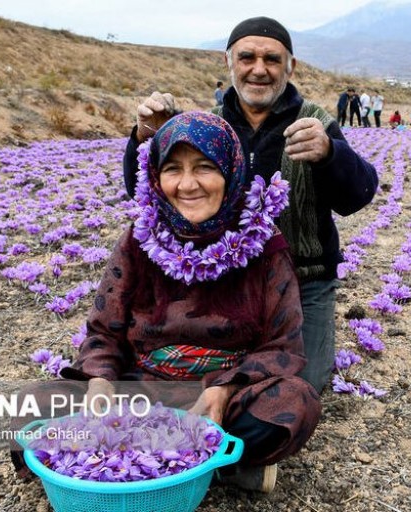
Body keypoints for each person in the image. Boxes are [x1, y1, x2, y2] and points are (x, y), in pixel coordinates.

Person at [56, 111, 319, 494]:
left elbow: (283, 345)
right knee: (37, 404)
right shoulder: (139, 239)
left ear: (231, 171)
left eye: (204, 167)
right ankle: (216, 466)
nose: (187, 184)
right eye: (173, 169)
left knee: (296, 402)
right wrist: (99, 382)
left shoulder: (266, 245)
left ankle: (135, 461)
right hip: (143, 389)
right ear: (155, 177)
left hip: (227, 394)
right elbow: (103, 331)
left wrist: (224, 390)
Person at [122, 16, 379, 395]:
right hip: (224, 279)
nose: (259, 69)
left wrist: (329, 154)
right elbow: (146, 191)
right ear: (229, 62)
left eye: (272, 59)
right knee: (184, 376)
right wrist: (146, 137)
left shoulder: (317, 122)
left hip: (304, 278)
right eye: (247, 57)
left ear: (290, 66)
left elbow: (358, 195)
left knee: (296, 385)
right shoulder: (208, 125)